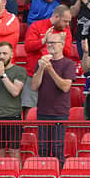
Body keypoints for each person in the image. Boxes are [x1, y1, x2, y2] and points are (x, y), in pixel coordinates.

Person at [31, 34, 75, 165]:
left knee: (57, 149)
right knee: (43, 149)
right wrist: (41, 69)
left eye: (54, 43)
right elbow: (34, 86)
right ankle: (44, 177)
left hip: (59, 113)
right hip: (43, 112)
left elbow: (65, 87)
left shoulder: (68, 64)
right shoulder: (41, 63)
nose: (50, 45)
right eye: (49, 43)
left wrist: (50, 70)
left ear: (62, 45)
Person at [23, 6, 74, 110]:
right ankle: (30, 127)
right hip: (33, 73)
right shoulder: (36, 26)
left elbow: (68, 53)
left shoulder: (66, 31)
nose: (67, 25)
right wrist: (43, 40)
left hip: (55, 75)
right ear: (56, 16)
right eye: (65, 21)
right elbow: (28, 47)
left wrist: (60, 43)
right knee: (30, 108)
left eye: (69, 22)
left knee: (51, 108)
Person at [0, 42, 27, 159]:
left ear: (11, 54)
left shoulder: (19, 71)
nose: (1, 56)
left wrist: (3, 75)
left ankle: (17, 176)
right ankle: (0, 176)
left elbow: (15, 91)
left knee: (14, 152)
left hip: (13, 117)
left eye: (5, 53)